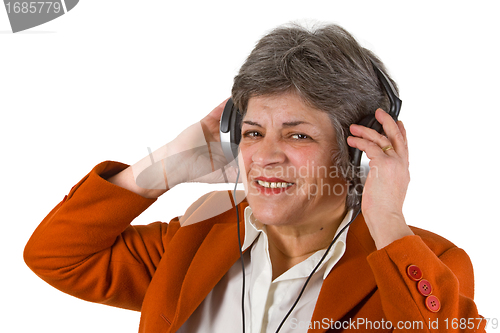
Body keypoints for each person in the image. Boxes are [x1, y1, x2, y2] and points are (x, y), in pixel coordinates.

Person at [24, 22, 485, 332]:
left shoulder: (427, 266)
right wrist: (165, 169)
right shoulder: (196, 241)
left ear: (356, 149)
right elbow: (56, 256)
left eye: (298, 135)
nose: (264, 156)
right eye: (252, 132)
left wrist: (387, 218)